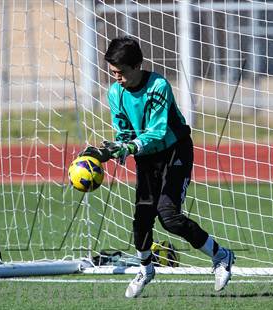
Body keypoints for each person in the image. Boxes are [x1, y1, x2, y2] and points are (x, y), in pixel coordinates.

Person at [80, 36, 235, 298]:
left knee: (168, 216)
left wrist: (128, 147)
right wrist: (110, 150)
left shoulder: (158, 86)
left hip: (174, 150)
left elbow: (158, 131)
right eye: (113, 73)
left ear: (137, 66)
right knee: (141, 218)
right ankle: (145, 268)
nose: (116, 77)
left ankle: (221, 256)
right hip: (147, 157)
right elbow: (124, 132)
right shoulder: (115, 92)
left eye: (121, 72)